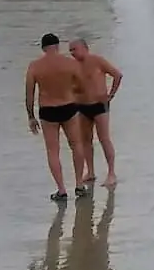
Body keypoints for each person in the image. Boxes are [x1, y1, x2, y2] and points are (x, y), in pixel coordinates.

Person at [25, 34, 88, 201]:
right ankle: (79, 185)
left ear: (43, 48)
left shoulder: (35, 66)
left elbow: (29, 94)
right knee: (76, 145)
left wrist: (31, 116)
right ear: (57, 46)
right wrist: (70, 90)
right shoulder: (70, 63)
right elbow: (82, 85)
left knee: (53, 151)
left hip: (48, 110)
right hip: (68, 107)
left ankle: (61, 190)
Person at [69, 38, 122, 190]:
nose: (72, 52)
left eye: (75, 49)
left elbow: (117, 75)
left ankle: (111, 173)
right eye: (70, 50)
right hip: (81, 106)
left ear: (85, 48)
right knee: (85, 140)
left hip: (100, 105)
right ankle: (90, 171)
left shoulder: (97, 61)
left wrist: (111, 95)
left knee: (104, 138)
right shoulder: (72, 66)